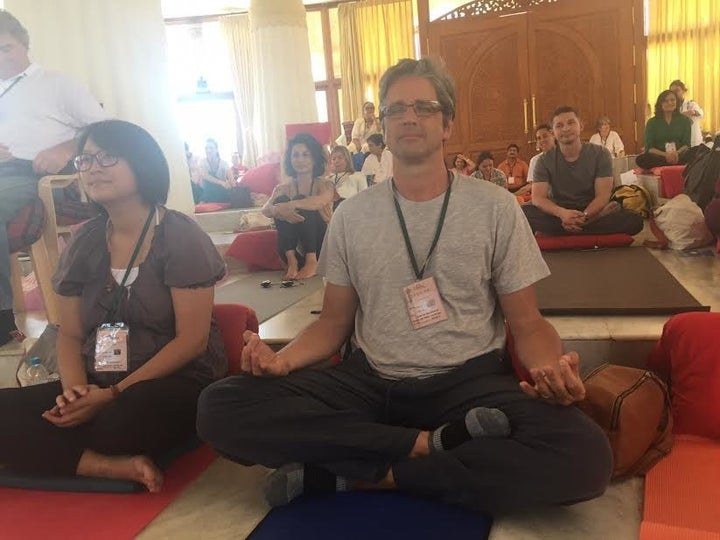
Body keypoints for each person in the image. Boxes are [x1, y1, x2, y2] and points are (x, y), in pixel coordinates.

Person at [197, 58, 612, 515]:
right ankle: (426, 446)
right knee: (219, 407)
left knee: (585, 456)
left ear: (447, 123)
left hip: (466, 384)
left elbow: (528, 322)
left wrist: (549, 369)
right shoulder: (353, 216)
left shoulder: (494, 207)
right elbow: (333, 323)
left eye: (424, 107)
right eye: (396, 110)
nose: (409, 118)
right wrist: (283, 360)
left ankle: (366, 476)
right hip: (369, 383)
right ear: (384, 126)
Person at [0, 119, 227, 491]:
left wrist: (111, 396)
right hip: (98, 378)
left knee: (122, 422)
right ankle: (102, 465)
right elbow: (70, 333)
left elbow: (191, 342)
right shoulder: (85, 241)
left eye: (108, 157)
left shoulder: (179, 236)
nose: (93, 168)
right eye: (85, 161)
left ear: (142, 163)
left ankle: (67, 451)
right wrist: (75, 393)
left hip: (167, 383)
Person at [0, 10, 106, 347]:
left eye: (6, 48)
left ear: (24, 45)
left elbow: (105, 131)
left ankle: (1, 321)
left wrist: (66, 147)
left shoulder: (56, 83)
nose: (0, 57)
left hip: (41, 175)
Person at [522, 106, 644, 236]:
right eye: (559, 125)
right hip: (559, 212)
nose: (566, 129)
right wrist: (563, 214)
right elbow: (538, 198)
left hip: (592, 210)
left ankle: (569, 228)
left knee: (634, 220)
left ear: (581, 125)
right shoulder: (544, 160)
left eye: (571, 123)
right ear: (553, 132)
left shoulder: (601, 154)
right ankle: (585, 227)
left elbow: (602, 197)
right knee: (524, 213)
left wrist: (584, 216)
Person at [261, 133, 334, 280]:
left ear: (314, 159)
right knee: (280, 200)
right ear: (290, 159)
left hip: (320, 246)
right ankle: (291, 260)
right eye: (296, 155)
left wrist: (291, 205)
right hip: (292, 246)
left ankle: (312, 262)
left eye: (305, 155)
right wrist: (279, 209)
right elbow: (265, 209)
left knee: (301, 201)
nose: (300, 160)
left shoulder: (325, 184)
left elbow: (319, 202)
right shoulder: (282, 188)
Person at [635, 90, 692, 170]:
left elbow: (686, 145)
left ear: (677, 102)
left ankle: (669, 165)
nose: (669, 103)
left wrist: (676, 153)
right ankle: (668, 166)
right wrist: (666, 155)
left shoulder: (685, 120)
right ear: (660, 104)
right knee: (641, 159)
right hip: (659, 157)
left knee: (695, 153)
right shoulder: (652, 122)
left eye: (672, 100)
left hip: (679, 156)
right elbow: (649, 148)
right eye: (666, 101)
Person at [669, 80, 704, 147]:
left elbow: (699, 112)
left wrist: (691, 112)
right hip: (678, 145)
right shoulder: (669, 107)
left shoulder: (691, 104)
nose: (675, 93)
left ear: (683, 91)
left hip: (694, 143)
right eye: (672, 92)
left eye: (677, 90)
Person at [198, 138, 233, 203]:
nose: (208, 150)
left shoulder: (224, 164)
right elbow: (205, 176)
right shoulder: (202, 162)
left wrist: (233, 189)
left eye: (211, 148)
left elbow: (232, 181)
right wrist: (221, 182)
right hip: (208, 193)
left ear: (216, 150)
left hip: (221, 193)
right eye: (206, 148)